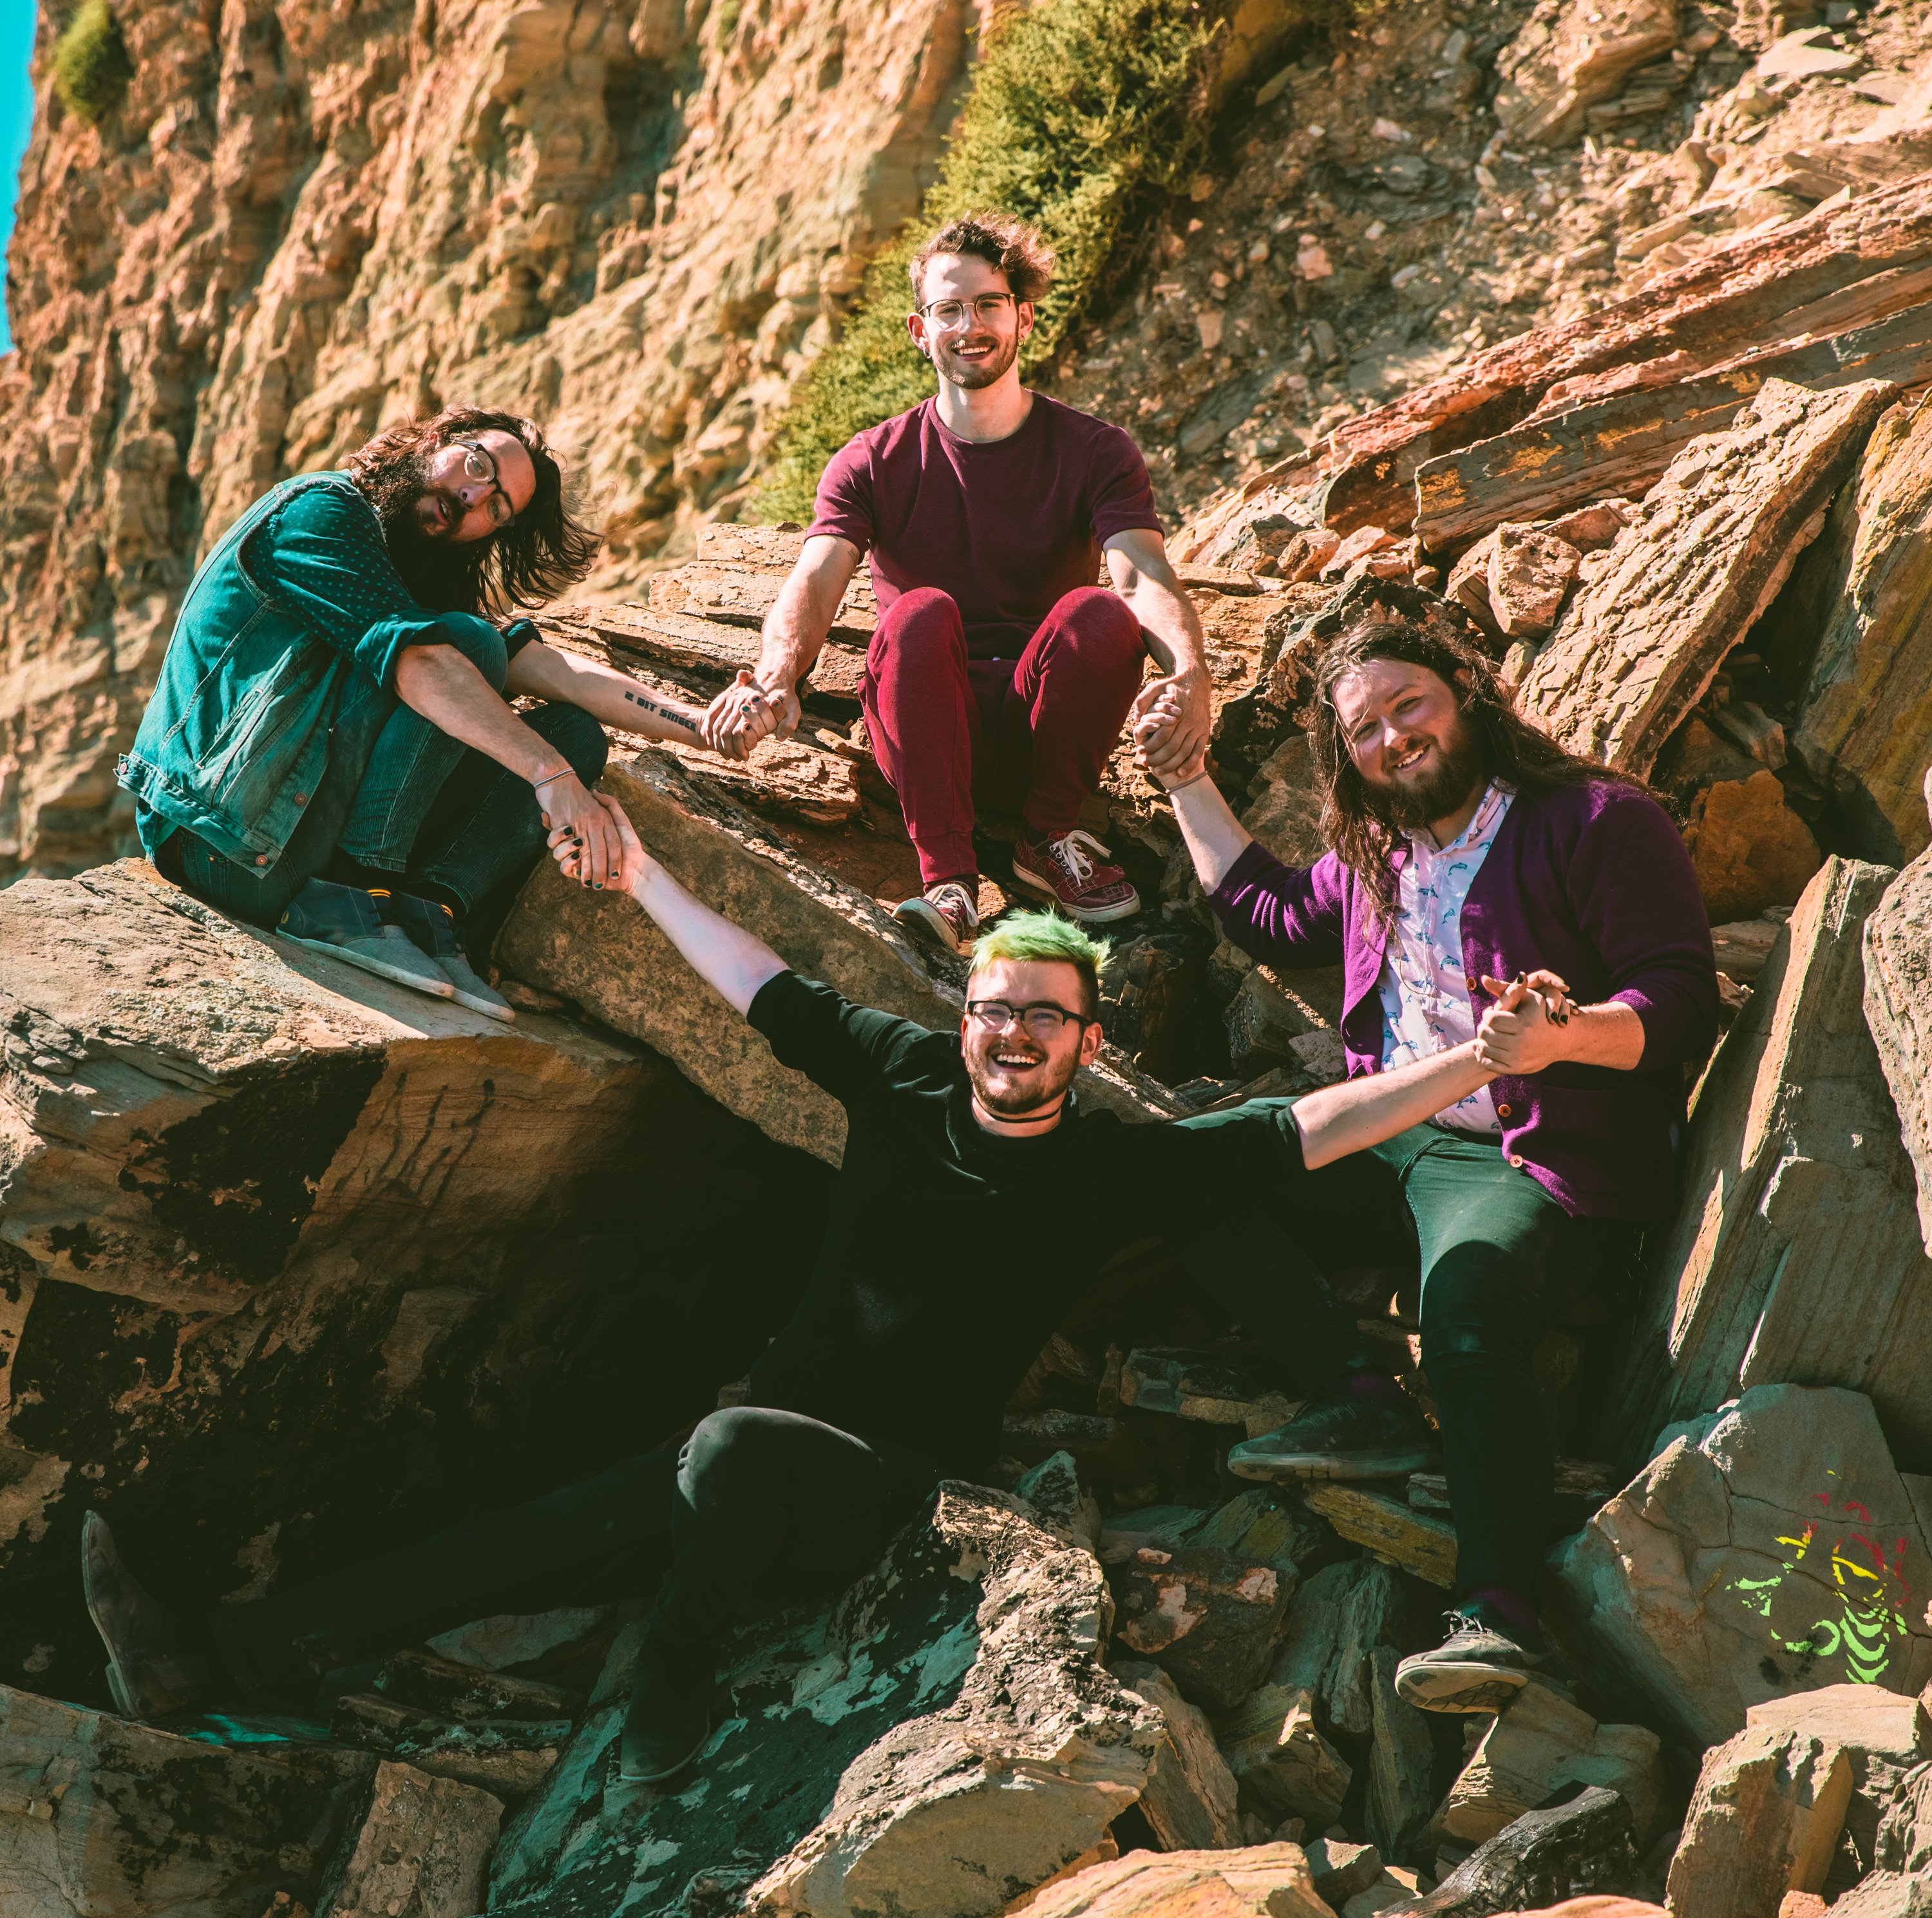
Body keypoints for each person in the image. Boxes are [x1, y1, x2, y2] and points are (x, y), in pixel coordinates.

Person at [81, 794, 1564, 1785]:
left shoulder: (1112, 1167)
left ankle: (663, 1687)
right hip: (749, 1451)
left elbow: (1299, 1131)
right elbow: (758, 984)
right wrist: (642, 873)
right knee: (537, 1528)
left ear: (1080, 1033)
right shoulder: (908, 1073)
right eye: (993, 1009)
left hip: (886, 1488)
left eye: (1044, 1019)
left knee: (723, 1450)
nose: (1010, 1037)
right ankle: (219, 1655)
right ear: (966, 1013)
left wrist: (1477, 1064)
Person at [1136, 616, 1720, 1715]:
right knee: (1185, 1171)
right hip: (1383, 1130)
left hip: (1518, 1155)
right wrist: (1185, 778)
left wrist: (1564, 1036)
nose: (1395, 739)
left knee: (1467, 1314)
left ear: (1467, 692)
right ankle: (1357, 1397)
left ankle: (1496, 1614)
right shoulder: (1378, 854)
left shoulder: (1595, 820)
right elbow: (1265, 910)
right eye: (1365, 729)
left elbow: (1681, 1002)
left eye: (1411, 705)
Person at [698, 211, 1212, 952]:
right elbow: (814, 579)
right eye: (948, 310)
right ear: (919, 330)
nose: (969, 325)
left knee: (1097, 612)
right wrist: (775, 679)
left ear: (1023, 317)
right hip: (926, 730)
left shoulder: (1095, 450)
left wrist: (1190, 672)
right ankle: (949, 881)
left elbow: (1142, 573)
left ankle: (1047, 841)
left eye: (987, 304)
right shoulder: (872, 461)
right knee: (918, 613)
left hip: (1048, 728)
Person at [117, 405, 708, 1019]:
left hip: (296, 835)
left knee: (573, 733)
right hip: (222, 841)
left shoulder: (414, 572)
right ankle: (350, 893)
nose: (474, 496)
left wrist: (705, 727)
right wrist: (548, 776)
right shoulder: (319, 511)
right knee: (466, 656)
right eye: (476, 465)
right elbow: (427, 667)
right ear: (436, 439)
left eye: (496, 509)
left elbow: (552, 672)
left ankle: (425, 917)